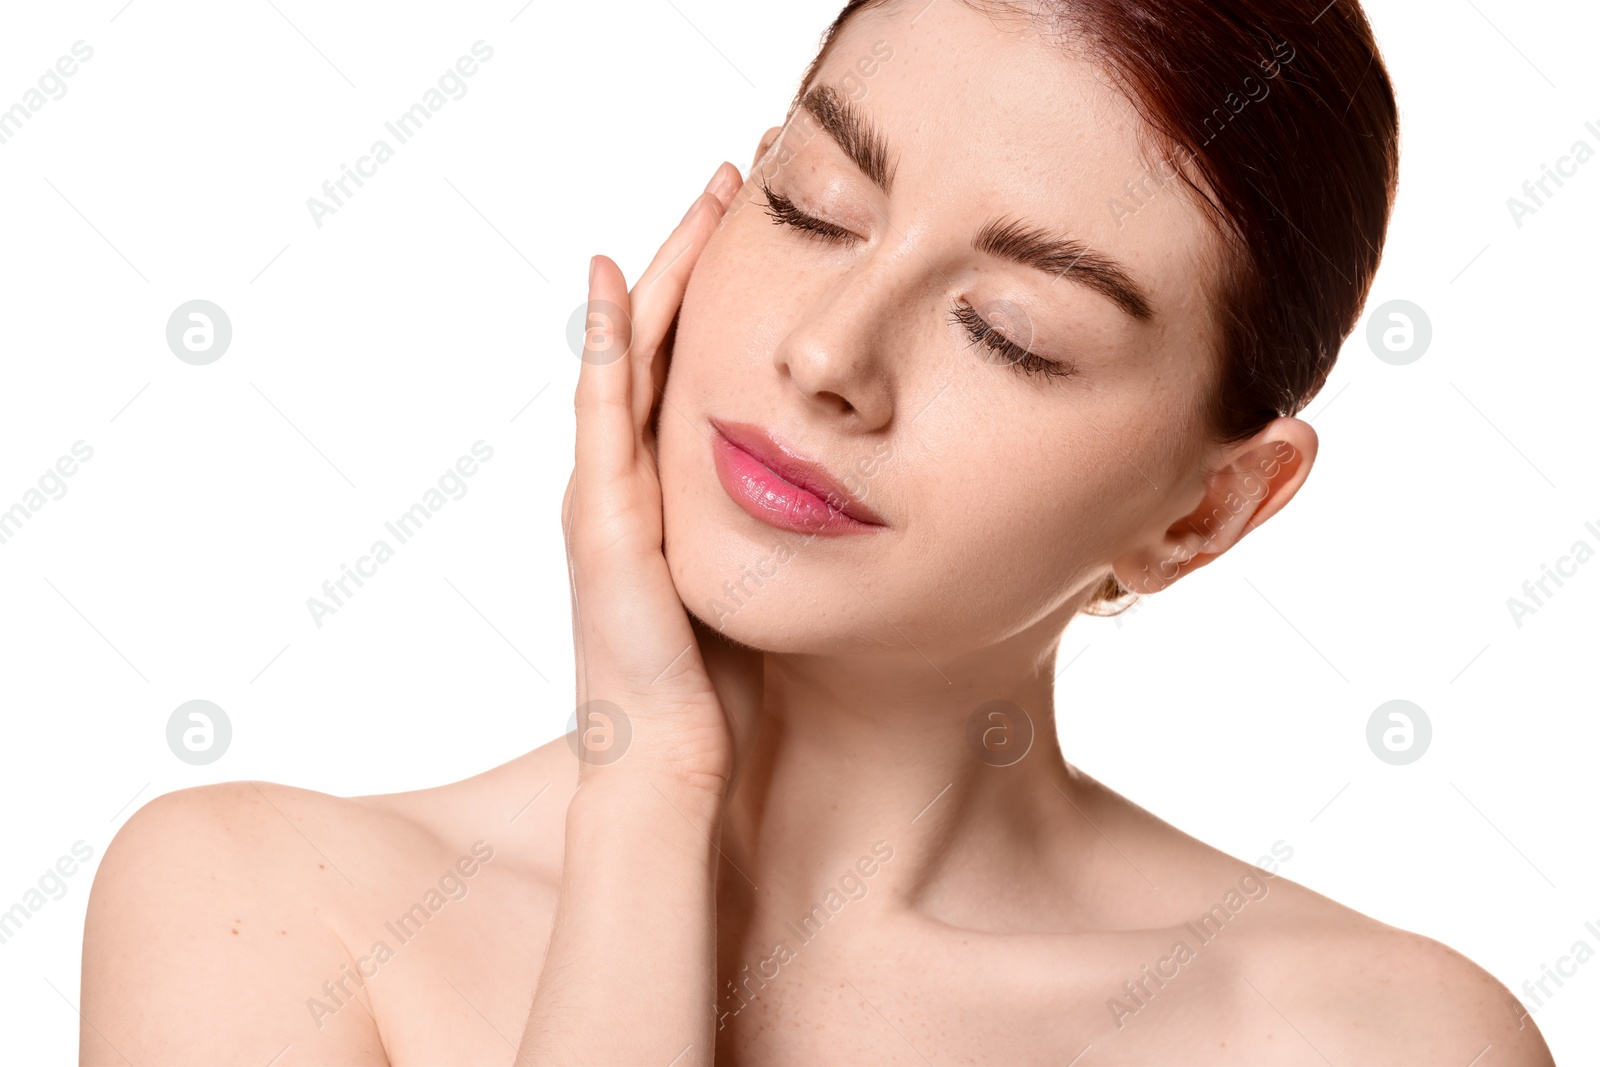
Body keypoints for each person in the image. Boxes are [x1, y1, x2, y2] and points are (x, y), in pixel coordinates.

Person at [81, 0, 1557, 1063]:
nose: (827, 354)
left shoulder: (1378, 1039)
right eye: (812, 203)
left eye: (1010, 331)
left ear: (1204, 511)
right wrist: (646, 797)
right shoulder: (261, 911)